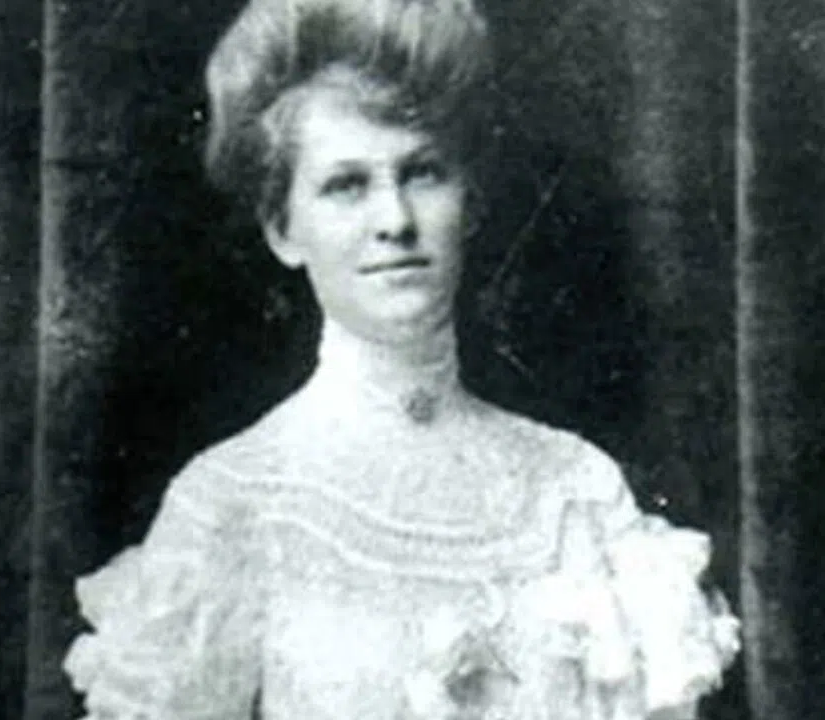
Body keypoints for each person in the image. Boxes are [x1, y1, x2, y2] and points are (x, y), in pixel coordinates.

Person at [63, 0, 740, 718]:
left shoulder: (577, 491)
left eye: (422, 173)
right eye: (346, 185)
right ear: (282, 229)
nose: (395, 220)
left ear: (469, 200)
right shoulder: (227, 506)